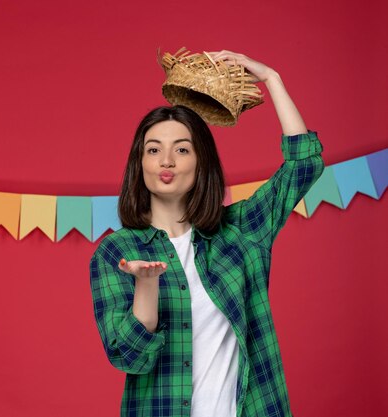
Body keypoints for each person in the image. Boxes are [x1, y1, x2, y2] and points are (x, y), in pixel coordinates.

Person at [89, 50, 325, 417]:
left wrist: (271, 78)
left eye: (181, 150)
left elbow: (304, 165)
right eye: (154, 150)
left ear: (201, 164)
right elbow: (129, 358)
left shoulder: (243, 231)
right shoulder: (115, 252)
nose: (166, 160)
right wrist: (147, 285)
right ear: (140, 164)